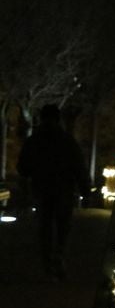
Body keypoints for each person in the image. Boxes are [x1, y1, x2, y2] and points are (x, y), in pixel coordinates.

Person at [17, 105, 90, 278]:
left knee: (45, 227)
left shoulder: (34, 141)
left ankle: (47, 262)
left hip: (42, 188)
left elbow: (22, 168)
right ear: (59, 119)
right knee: (63, 226)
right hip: (64, 189)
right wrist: (85, 190)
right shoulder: (67, 140)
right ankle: (59, 255)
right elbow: (79, 166)